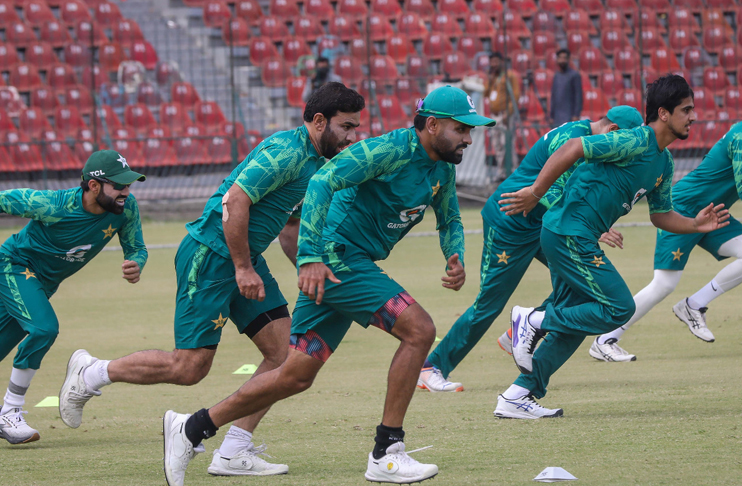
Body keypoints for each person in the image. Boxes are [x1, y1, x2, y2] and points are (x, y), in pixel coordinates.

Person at [159, 86, 496, 486]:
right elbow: (321, 184)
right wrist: (309, 258)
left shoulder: (442, 167)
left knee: (295, 374)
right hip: (337, 259)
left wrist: (453, 253)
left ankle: (192, 428)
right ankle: (387, 452)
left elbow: (451, 218)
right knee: (419, 329)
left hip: (349, 263)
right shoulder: (386, 151)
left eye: (471, 131)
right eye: (462, 129)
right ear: (433, 125)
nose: (469, 139)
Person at [58, 83, 365, 476]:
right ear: (319, 121)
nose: (352, 136)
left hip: (243, 257)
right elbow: (234, 200)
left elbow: (289, 225)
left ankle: (233, 451)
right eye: (347, 126)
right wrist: (242, 268)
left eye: (355, 127)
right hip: (210, 254)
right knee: (190, 368)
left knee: (284, 354)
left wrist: (306, 273)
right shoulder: (287, 151)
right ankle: (92, 372)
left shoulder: (315, 162)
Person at [494, 74, 729, 419]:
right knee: (618, 308)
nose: (694, 116)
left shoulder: (663, 162)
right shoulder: (634, 140)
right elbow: (573, 147)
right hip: (567, 233)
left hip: (573, 235)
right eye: (686, 110)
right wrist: (535, 192)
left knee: (573, 327)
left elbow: (661, 215)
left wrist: (694, 224)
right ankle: (532, 319)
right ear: (663, 114)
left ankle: (517, 396)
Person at [417, 106, 644, 393]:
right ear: (612, 132)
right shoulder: (575, 139)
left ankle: (520, 329)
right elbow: (555, 190)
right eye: (622, 144)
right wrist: (592, 226)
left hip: (542, 224)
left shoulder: (582, 133)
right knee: (489, 305)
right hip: (510, 221)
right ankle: (431, 367)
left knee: (582, 284)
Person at [0, 150, 147, 445]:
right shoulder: (53, 205)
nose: (126, 192)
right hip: (14, 267)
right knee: (44, 329)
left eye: (129, 185)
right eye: (119, 186)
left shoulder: (126, 209)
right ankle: (10, 412)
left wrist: (136, 264)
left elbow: (137, 248)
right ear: (94, 186)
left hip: (44, 284)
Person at [590, 122, 742, 362]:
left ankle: (694, 305)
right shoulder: (740, 135)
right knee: (664, 284)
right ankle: (605, 339)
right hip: (683, 208)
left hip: (712, 213)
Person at [484, 52, 520, 178]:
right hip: (494, 115)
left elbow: (515, 96)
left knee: (507, 143)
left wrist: (508, 113)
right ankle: (501, 172)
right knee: (497, 144)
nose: (493, 64)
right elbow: (486, 93)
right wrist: (489, 79)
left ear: (501, 62)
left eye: (496, 61)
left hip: (506, 115)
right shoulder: (493, 77)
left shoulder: (510, 76)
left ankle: (513, 170)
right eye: (491, 62)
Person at [549, 49, 583, 128]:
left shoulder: (574, 75)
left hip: (569, 116)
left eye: (564, 58)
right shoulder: (556, 76)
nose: (562, 60)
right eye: (560, 58)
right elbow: (554, 96)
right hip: (557, 117)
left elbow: (578, 96)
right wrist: (551, 115)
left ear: (568, 59)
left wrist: (576, 114)